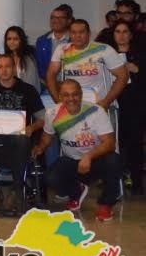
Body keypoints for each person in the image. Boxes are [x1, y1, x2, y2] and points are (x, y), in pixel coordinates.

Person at [33, 80, 121, 221]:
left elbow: (110, 143)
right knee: (50, 177)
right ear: (60, 97)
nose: (71, 99)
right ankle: (76, 192)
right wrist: (40, 148)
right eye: (66, 95)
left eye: (75, 94)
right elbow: (47, 137)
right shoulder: (52, 113)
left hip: (96, 160)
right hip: (72, 162)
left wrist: (89, 156)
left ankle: (106, 204)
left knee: (114, 160)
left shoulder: (96, 111)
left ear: (81, 95)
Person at [0, 54, 45, 215]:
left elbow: (42, 118)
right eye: (0, 67)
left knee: (23, 139)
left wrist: (32, 127)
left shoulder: (28, 90)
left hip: (18, 135)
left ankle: (17, 191)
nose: (4, 70)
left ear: (14, 68)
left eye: (8, 66)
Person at [46, 19, 128, 110]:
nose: (78, 36)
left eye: (81, 32)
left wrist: (106, 101)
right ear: (69, 34)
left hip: (99, 104)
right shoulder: (62, 49)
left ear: (89, 33)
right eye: (74, 32)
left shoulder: (104, 49)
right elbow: (51, 75)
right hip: (72, 105)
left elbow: (123, 76)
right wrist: (58, 101)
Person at [106, 20, 144, 194]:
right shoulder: (107, 55)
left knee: (134, 143)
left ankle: (136, 181)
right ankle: (113, 179)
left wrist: (137, 70)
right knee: (114, 143)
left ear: (131, 34)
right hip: (113, 103)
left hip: (135, 105)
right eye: (117, 31)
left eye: (125, 31)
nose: (121, 35)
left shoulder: (140, 55)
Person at [35, 4, 73, 92]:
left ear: (69, 21)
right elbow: (39, 66)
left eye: (60, 18)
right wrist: (51, 84)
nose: (56, 20)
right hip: (47, 88)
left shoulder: (74, 40)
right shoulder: (41, 41)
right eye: (53, 17)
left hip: (71, 88)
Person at [3, 26, 41, 92]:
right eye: (9, 39)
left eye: (15, 39)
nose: (12, 42)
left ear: (21, 40)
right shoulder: (5, 58)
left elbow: (31, 84)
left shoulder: (28, 58)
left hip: (27, 95)